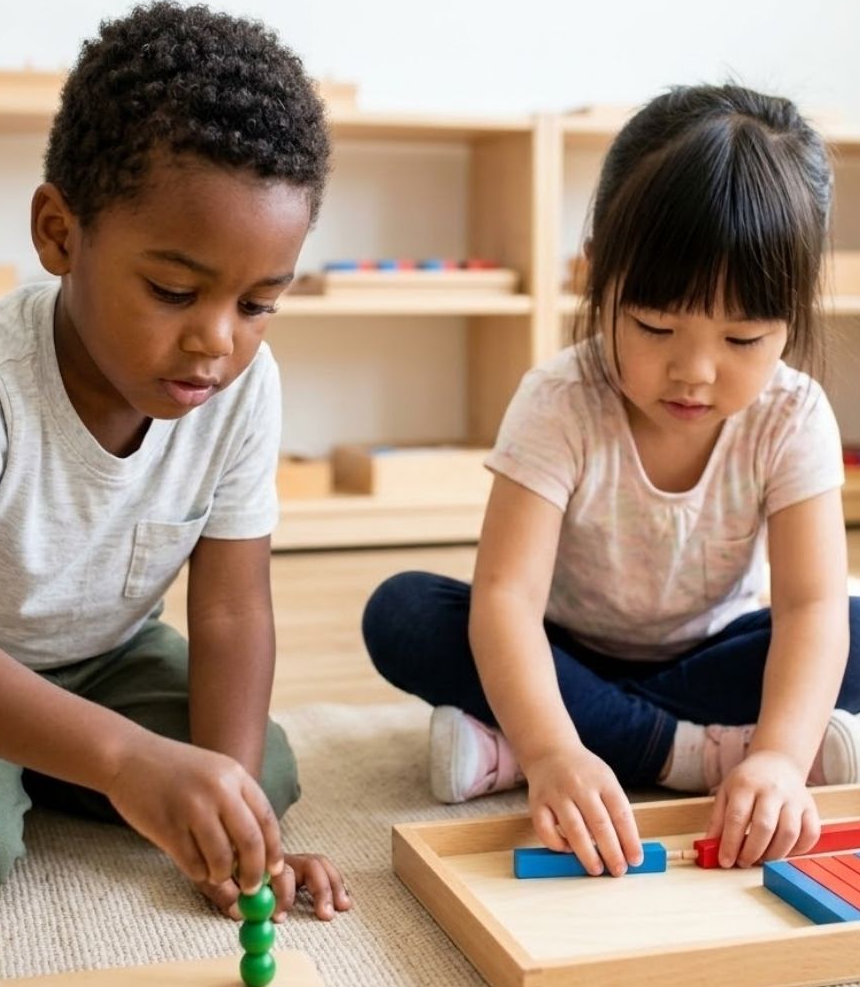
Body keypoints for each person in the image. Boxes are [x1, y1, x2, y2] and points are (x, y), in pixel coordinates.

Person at [0, 0, 352, 923]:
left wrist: (234, 827)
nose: (216, 340)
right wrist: (127, 761)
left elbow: (234, 606)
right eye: (174, 290)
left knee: (259, 773)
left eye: (257, 304)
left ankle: (28, 760)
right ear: (59, 234)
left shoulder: (245, 387)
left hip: (103, 655)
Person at [363, 84, 860, 878]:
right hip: (568, 656)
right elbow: (507, 601)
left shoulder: (792, 415)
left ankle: (518, 747)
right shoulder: (560, 401)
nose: (695, 373)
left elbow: (807, 608)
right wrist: (556, 750)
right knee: (405, 614)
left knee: (849, 626)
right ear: (598, 278)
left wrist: (777, 758)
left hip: (712, 654)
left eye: (742, 337)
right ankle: (686, 752)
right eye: (656, 328)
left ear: (792, 317)